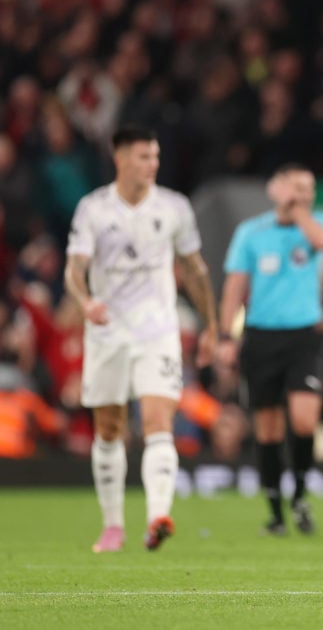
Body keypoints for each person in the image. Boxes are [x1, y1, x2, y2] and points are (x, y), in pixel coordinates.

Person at [65, 125, 218, 553]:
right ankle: (113, 526)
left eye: (155, 157)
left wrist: (210, 325)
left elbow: (194, 269)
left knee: (158, 421)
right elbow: (74, 270)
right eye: (143, 157)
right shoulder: (93, 209)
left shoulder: (174, 207)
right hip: (107, 331)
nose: (153, 165)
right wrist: (85, 302)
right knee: (109, 428)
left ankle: (158, 517)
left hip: (158, 332)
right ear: (120, 158)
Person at [218, 163, 323, 535]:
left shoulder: (318, 224)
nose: (304, 194)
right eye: (297, 187)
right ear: (276, 188)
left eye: (309, 188)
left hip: (303, 337)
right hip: (261, 337)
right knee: (267, 429)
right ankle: (274, 511)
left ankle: (300, 495)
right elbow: (235, 286)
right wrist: (226, 336)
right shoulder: (251, 232)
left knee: (304, 421)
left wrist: (297, 210)